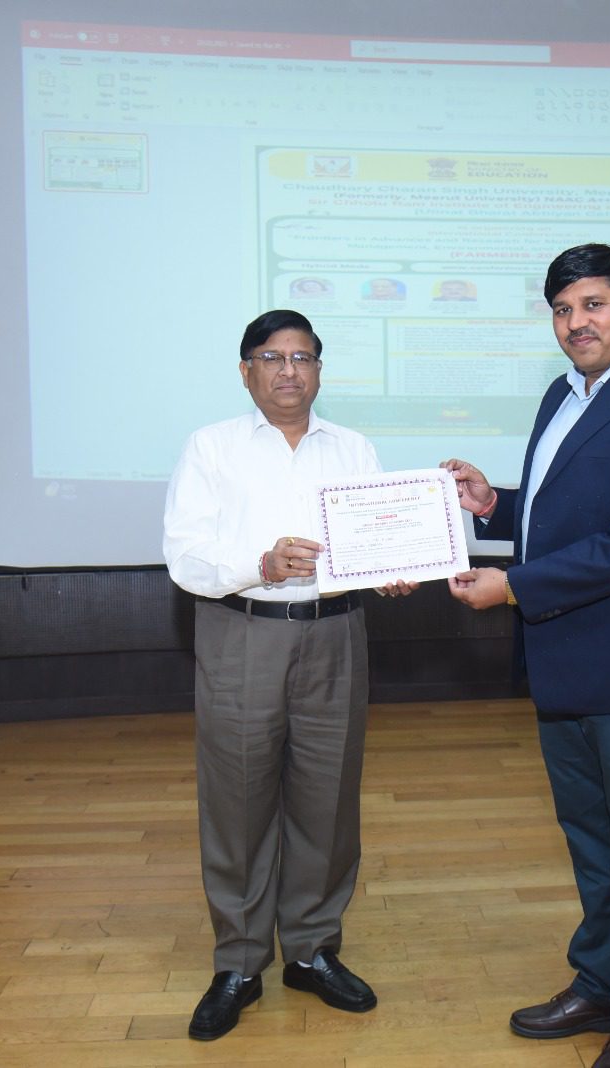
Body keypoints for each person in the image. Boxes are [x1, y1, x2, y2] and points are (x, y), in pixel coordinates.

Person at [441, 244, 610, 1068]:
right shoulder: (561, 394)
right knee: (592, 840)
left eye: (593, 305)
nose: (575, 323)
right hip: (561, 661)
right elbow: (565, 512)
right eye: (563, 309)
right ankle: (600, 981)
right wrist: (494, 506)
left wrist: (515, 586)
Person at [163, 309, 414, 1041]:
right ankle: (240, 963)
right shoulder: (210, 446)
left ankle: (311, 951)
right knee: (238, 800)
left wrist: (391, 568)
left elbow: (375, 540)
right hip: (243, 631)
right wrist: (262, 564)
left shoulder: (354, 448)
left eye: (302, 358)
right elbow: (185, 554)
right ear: (246, 371)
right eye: (272, 358)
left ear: (319, 372)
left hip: (336, 634)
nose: (288, 371)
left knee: (327, 800)